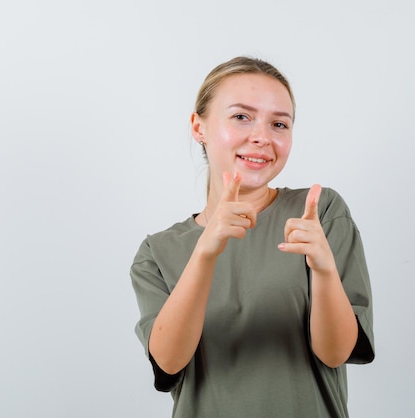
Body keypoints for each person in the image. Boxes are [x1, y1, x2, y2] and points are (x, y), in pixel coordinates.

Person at [130, 56, 374, 418]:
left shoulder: (318, 214)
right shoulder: (157, 252)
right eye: (241, 116)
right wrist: (204, 254)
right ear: (199, 127)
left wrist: (324, 270)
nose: (262, 137)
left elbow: (335, 353)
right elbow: (168, 363)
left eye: (279, 123)